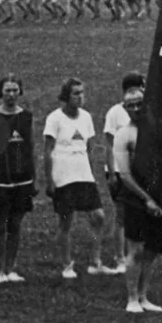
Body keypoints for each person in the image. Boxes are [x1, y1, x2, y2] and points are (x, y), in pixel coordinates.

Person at [105, 76, 162, 314]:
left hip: (160, 199)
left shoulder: (160, 130)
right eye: (129, 106)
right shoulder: (124, 135)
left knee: (152, 249)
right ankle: (131, 298)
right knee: (136, 249)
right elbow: (125, 175)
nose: (135, 109)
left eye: (139, 104)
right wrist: (147, 200)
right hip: (135, 198)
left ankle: (143, 296)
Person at [40, 78, 112, 280]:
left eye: (82, 92)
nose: (80, 97)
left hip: (83, 176)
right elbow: (47, 151)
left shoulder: (86, 117)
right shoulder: (54, 119)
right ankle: (66, 264)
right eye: (75, 93)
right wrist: (49, 180)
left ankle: (95, 262)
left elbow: (88, 147)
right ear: (66, 96)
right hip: (63, 176)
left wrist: (89, 173)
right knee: (66, 221)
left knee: (98, 216)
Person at [0, 76, 37, 282]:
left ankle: (10, 267)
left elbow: (31, 148)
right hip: (0, 180)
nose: (11, 94)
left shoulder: (26, 118)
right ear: (0, 92)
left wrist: (35, 178)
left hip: (22, 179)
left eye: (15, 90)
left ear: (20, 92)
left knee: (16, 224)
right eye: (7, 90)